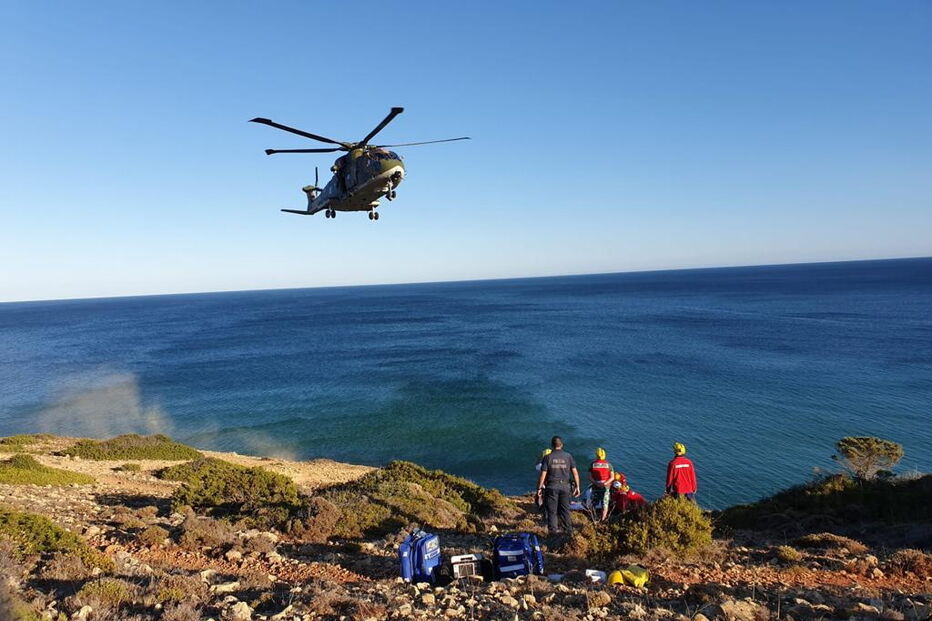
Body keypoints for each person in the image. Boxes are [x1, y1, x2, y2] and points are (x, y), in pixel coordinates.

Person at [536, 436, 581, 536]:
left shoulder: (548, 457)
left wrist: (539, 487)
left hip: (551, 487)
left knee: (552, 511)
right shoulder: (568, 456)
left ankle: (553, 533)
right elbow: (575, 473)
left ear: (552, 445)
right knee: (565, 510)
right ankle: (568, 532)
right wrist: (578, 486)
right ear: (562, 445)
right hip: (565, 487)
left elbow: (543, 474)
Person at [588, 447, 614, 522]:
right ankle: (603, 520)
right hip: (605, 487)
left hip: (595, 486)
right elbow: (612, 477)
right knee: (605, 504)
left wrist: (596, 483)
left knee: (594, 503)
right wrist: (604, 483)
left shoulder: (592, 464)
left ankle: (593, 518)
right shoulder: (609, 465)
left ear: (596, 455)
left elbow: (590, 477)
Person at [535, 448, 552, 518]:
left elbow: (537, 466)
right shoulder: (555, 464)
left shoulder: (541, 466)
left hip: (546, 486)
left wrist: (538, 488)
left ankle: (545, 512)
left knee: (543, 499)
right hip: (555, 485)